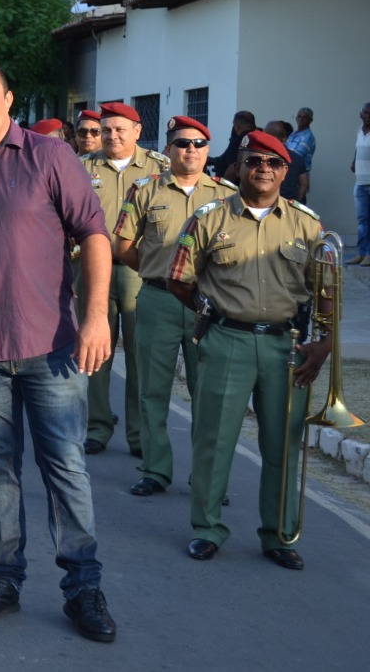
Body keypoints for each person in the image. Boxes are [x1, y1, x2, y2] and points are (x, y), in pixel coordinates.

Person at [0, 54, 117, 643]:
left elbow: (94, 234)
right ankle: (3, 577)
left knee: (65, 467)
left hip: (52, 345)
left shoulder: (50, 156)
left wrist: (96, 316)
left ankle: (83, 587)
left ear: (9, 100)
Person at [167, 130, 331, 569]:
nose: (263, 169)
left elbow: (328, 292)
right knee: (214, 439)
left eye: (273, 163)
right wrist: (208, 314)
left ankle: (278, 535)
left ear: (284, 172)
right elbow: (179, 278)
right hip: (228, 340)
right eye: (254, 161)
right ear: (239, 166)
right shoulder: (208, 218)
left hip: (288, 346)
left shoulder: (307, 225)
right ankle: (207, 528)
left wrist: (325, 345)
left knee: (283, 444)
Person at [113, 116, 236, 498]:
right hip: (159, 300)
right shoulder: (144, 190)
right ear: (168, 150)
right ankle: (155, 469)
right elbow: (124, 248)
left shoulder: (228, 195)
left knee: (210, 394)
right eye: (183, 143)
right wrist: (159, 273)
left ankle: (207, 477)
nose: (191, 150)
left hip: (209, 305)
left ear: (208, 150)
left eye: (199, 144)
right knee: (153, 388)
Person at [80, 102, 169, 456]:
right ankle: (97, 426)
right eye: (106, 130)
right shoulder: (82, 166)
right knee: (95, 352)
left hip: (139, 272)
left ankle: (138, 434)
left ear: (137, 131)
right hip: (90, 271)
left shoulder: (160, 168)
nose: (111, 136)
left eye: (120, 129)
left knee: (139, 357)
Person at [265, 121, 309, 203]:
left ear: (266, 134)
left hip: (267, 204)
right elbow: (304, 184)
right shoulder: (297, 158)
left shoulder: (262, 156)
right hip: (289, 205)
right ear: (284, 137)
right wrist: (296, 203)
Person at [211, 110, 255, 177]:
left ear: (237, 127)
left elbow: (229, 165)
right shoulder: (259, 137)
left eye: (233, 125)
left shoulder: (238, 142)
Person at [352, 102, 370, 266]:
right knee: (362, 220)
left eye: (369, 113)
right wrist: (353, 162)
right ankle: (361, 253)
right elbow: (358, 149)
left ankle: (369, 255)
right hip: (360, 182)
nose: (367, 115)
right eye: (365, 112)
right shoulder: (360, 129)